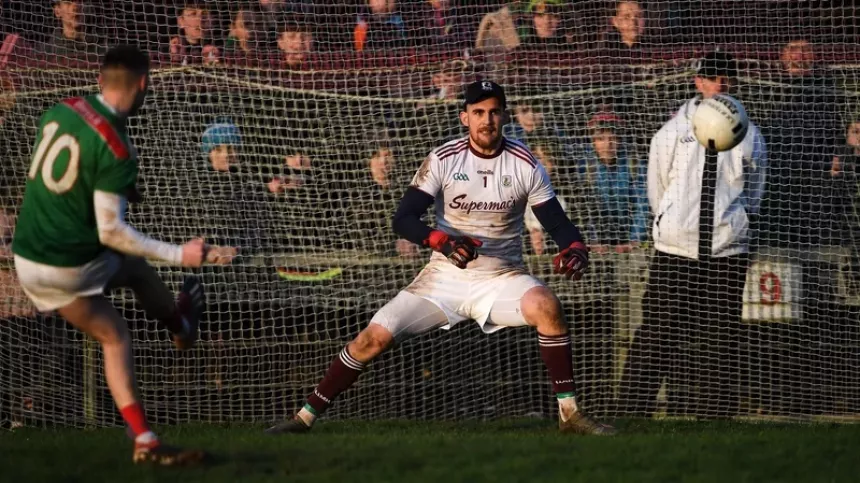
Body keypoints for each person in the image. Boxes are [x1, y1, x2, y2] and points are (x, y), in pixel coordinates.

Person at [267, 80, 616, 436]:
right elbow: (403, 219)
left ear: (504, 116)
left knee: (547, 305)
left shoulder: (525, 164)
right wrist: (442, 241)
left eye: (494, 112)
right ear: (465, 117)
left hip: (501, 278)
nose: (486, 120)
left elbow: (557, 223)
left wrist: (575, 249)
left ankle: (570, 415)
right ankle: (304, 418)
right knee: (370, 339)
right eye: (478, 113)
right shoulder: (444, 158)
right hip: (443, 278)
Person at [11, 45, 236, 464]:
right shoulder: (117, 149)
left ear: (100, 79)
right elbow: (111, 230)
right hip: (67, 266)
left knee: (112, 329)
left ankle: (146, 439)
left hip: (26, 259)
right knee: (128, 282)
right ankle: (179, 323)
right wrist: (180, 254)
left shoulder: (61, 110)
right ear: (144, 84)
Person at [619, 51, 767, 417]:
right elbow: (657, 188)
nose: (720, 83)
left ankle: (715, 417)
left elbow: (755, 191)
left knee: (721, 339)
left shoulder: (750, 135)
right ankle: (631, 412)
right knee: (656, 333)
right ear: (698, 82)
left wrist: (736, 224)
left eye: (725, 77)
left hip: (726, 251)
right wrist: (672, 224)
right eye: (712, 77)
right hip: (674, 250)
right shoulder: (671, 133)